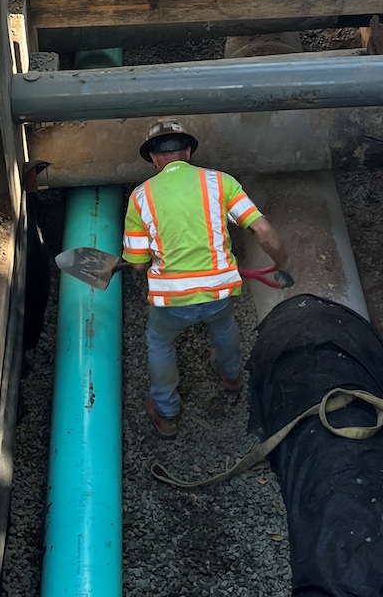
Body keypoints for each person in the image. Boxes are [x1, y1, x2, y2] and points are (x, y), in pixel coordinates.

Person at [122, 118, 294, 439]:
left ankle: (167, 411)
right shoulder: (221, 182)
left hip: (172, 301)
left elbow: (136, 264)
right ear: (187, 151)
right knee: (224, 326)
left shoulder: (139, 197)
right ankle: (231, 379)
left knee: (160, 341)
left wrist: (149, 258)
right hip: (219, 292)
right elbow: (263, 230)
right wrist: (283, 263)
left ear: (154, 158)